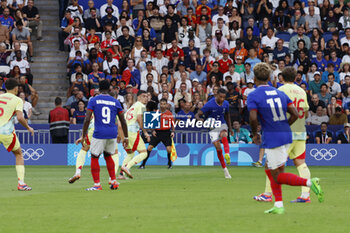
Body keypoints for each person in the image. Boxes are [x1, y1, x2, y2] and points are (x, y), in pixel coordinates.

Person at [247, 62, 323, 214]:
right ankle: (279, 204)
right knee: (273, 168)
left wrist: (255, 134)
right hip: (292, 132)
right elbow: (297, 113)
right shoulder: (282, 93)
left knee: (277, 174)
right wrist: (283, 125)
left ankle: (309, 183)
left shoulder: (255, 94)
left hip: (273, 136)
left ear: (254, 78)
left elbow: (253, 117)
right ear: (269, 77)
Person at [254, 67, 313, 203]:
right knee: (301, 163)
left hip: (284, 133)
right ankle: (305, 195)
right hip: (301, 132)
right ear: (295, 77)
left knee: (271, 164)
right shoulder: (302, 91)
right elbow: (306, 112)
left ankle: (268, 194)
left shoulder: (280, 91)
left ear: (282, 78)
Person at [82, 80, 128, 191]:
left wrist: (83, 135)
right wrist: (125, 137)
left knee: (94, 157)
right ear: (109, 89)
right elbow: (123, 120)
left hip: (99, 133)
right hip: (112, 133)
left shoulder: (93, 100)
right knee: (108, 155)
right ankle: (113, 181)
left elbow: (87, 118)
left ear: (98, 88)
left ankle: (97, 185)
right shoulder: (115, 101)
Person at [0, 78, 34, 190]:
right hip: (5, 131)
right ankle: (21, 183)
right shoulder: (17, 100)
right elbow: (20, 117)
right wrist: (28, 127)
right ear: (16, 88)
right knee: (18, 154)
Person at [195, 88, 233, 179]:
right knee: (218, 147)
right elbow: (197, 114)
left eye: (224, 97)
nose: (222, 99)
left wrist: (230, 128)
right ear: (216, 95)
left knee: (224, 134)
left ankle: (227, 154)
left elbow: (227, 115)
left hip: (222, 123)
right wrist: (199, 119)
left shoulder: (226, 104)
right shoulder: (210, 104)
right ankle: (225, 170)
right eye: (220, 97)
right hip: (212, 126)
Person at [118, 91, 150, 179]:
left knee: (130, 153)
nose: (146, 98)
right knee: (144, 153)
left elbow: (122, 121)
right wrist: (145, 132)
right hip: (132, 131)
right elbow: (139, 119)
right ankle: (126, 167)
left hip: (126, 132)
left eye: (147, 96)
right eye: (144, 96)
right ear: (138, 97)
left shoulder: (133, 106)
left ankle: (121, 174)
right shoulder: (141, 106)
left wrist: (120, 136)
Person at [139, 98, 175, 169]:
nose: (162, 105)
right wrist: (153, 131)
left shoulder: (169, 113)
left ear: (166, 104)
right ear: (159, 104)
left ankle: (169, 164)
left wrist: (173, 132)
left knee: (169, 149)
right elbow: (151, 123)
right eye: (161, 104)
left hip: (166, 132)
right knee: (149, 147)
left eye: (164, 104)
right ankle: (143, 164)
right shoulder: (156, 112)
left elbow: (172, 124)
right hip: (157, 133)